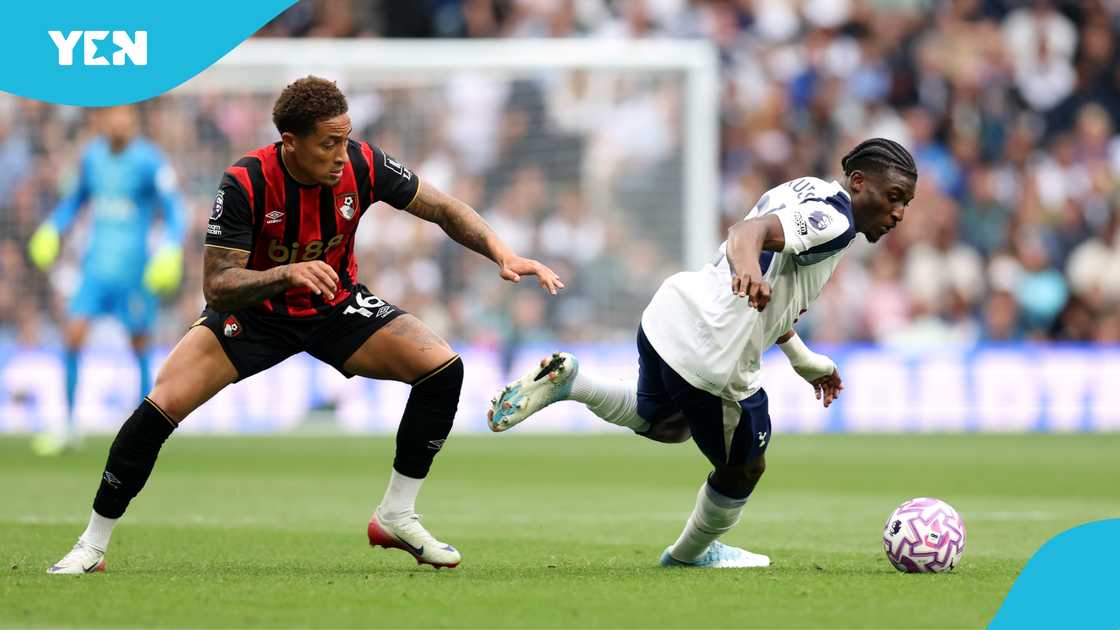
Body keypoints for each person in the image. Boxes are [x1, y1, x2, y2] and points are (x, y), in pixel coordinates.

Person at [47, 76, 563, 574]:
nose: (342, 154)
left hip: (334, 307)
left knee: (442, 369)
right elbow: (217, 284)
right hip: (254, 317)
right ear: (290, 143)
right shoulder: (245, 181)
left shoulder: (363, 162)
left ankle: (396, 515)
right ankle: (91, 544)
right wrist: (285, 273)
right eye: (329, 143)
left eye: (346, 138)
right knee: (160, 407)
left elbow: (444, 209)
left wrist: (502, 252)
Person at [489, 138, 917, 568]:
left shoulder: (806, 188)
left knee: (666, 423)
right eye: (893, 197)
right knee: (745, 467)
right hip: (717, 354)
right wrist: (749, 272)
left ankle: (573, 382)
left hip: (672, 312)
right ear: (859, 182)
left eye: (906, 203)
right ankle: (689, 554)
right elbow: (745, 234)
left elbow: (777, 287)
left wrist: (804, 359)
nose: (898, 213)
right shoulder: (834, 221)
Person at [27, 106, 186, 455]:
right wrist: (53, 227)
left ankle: (144, 432)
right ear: (102, 121)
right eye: (113, 116)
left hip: (135, 272)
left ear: (134, 122)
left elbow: (175, 210)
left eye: (126, 117)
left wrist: (171, 249)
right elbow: (75, 201)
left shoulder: (150, 161)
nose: (119, 123)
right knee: (73, 335)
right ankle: (68, 426)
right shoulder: (92, 157)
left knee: (140, 346)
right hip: (95, 269)